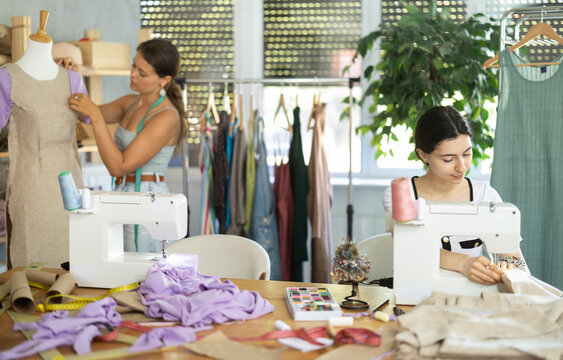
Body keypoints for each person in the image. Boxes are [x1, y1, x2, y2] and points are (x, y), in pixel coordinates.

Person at [382, 106, 525, 285]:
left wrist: (509, 268)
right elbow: (413, 246)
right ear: (423, 155)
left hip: (472, 300)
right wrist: (463, 263)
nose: (462, 167)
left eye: (467, 154)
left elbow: (515, 258)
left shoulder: (485, 195)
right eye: (448, 159)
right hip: (416, 294)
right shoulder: (402, 195)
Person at [68, 39, 185, 253]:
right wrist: (72, 76)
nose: (133, 74)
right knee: (123, 271)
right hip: (124, 195)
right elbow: (86, 114)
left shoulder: (166, 116)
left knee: (142, 276)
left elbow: (119, 167)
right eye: (134, 66)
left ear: (164, 80)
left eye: (142, 73)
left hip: (149, 202)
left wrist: (94, 115)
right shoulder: (131, 102)